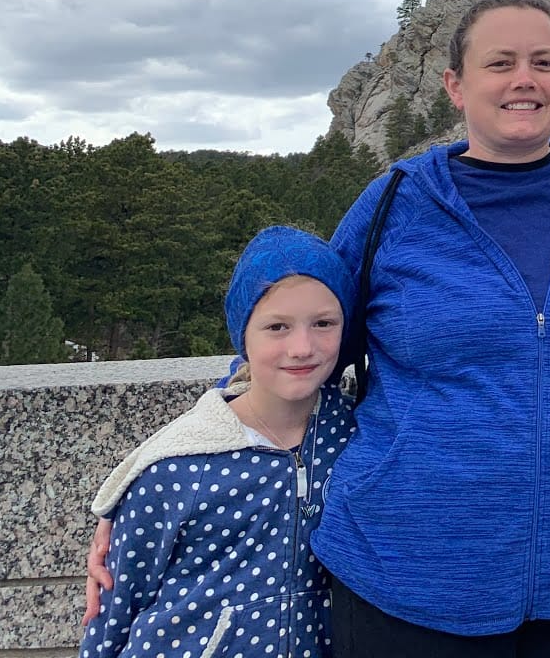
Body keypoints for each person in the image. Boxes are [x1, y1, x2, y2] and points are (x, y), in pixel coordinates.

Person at [314, 0, 550, 656]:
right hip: (405, 575)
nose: (524, 79)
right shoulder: (396, 201)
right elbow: (300, 343)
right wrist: (159, 472)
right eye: (500, 63)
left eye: (544, 62)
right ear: (456, 85)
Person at [79, 226, 358, 658]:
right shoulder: (177, 466)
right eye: (277, 327)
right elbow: (114, 607)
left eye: (323, 323)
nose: (302, 347)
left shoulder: (357, 437)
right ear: (242, 336)